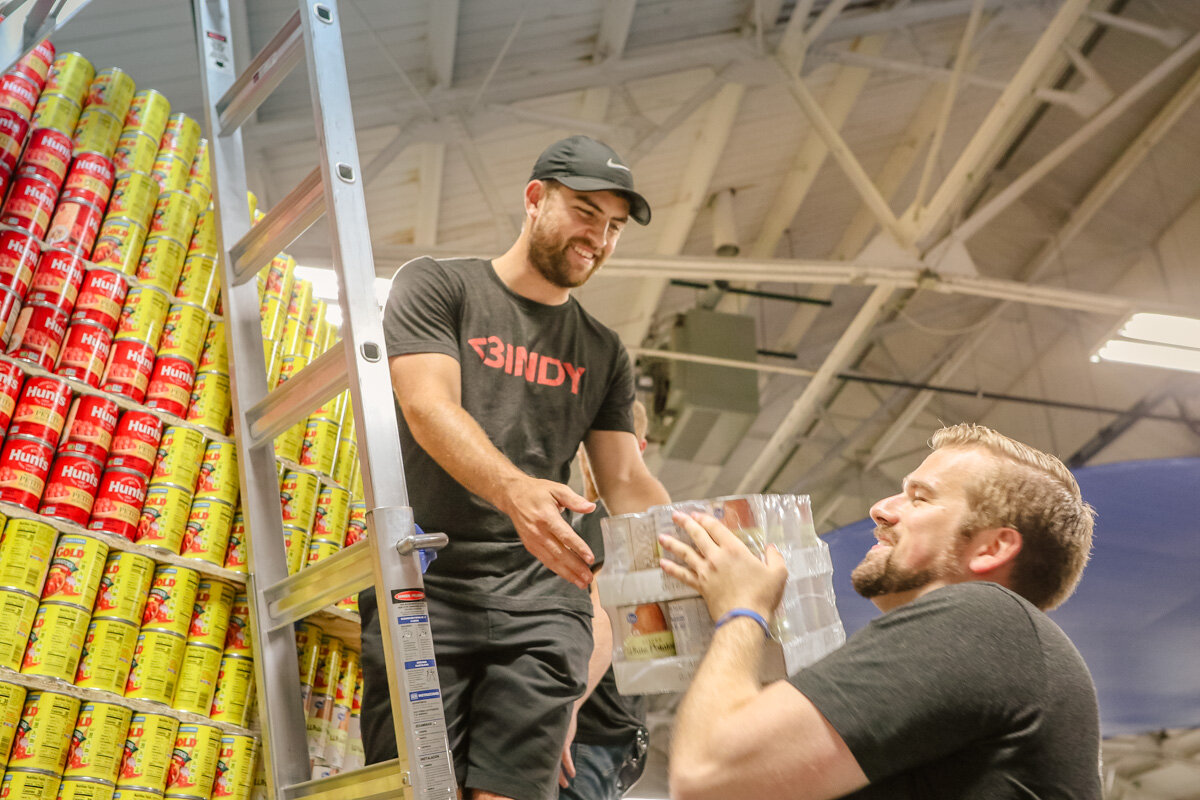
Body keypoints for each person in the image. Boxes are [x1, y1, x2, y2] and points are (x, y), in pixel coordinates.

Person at [360, 135, 671, 800]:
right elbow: (426, 404)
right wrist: (515, 491)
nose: (600, 238)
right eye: (587, 212)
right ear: (535, 199)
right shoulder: (438, 285)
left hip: (544, 603)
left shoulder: (603, 350)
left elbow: (624, 478)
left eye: (614, 226)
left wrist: (688, 537)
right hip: (426, 585)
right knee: (414, 789)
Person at [661, 423, 1101, 800]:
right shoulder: (1005, 652)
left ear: (992, 547)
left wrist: (743, 609)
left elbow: (705, 772)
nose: (882, 509)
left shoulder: (987, 618)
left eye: (920, 498)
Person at [559, 401, 652, 800]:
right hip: (604, 732)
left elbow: (608, 610)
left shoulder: (611, 519)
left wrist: (567, 707)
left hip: (585, 731)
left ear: (639, 449)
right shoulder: (584, 520)